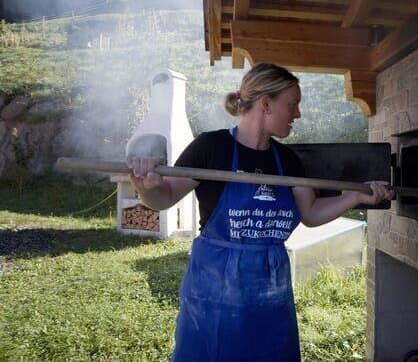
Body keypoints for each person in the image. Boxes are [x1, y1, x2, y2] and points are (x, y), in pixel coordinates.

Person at [127, 63, 393, 362]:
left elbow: (311, 213)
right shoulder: (212, 147)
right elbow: (163, 197)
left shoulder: (287, 160)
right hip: (215, 287)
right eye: (292, 105)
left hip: (270, 287)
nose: (297, 114)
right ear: (266, 104)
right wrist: (146, 187)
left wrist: (354, 196)